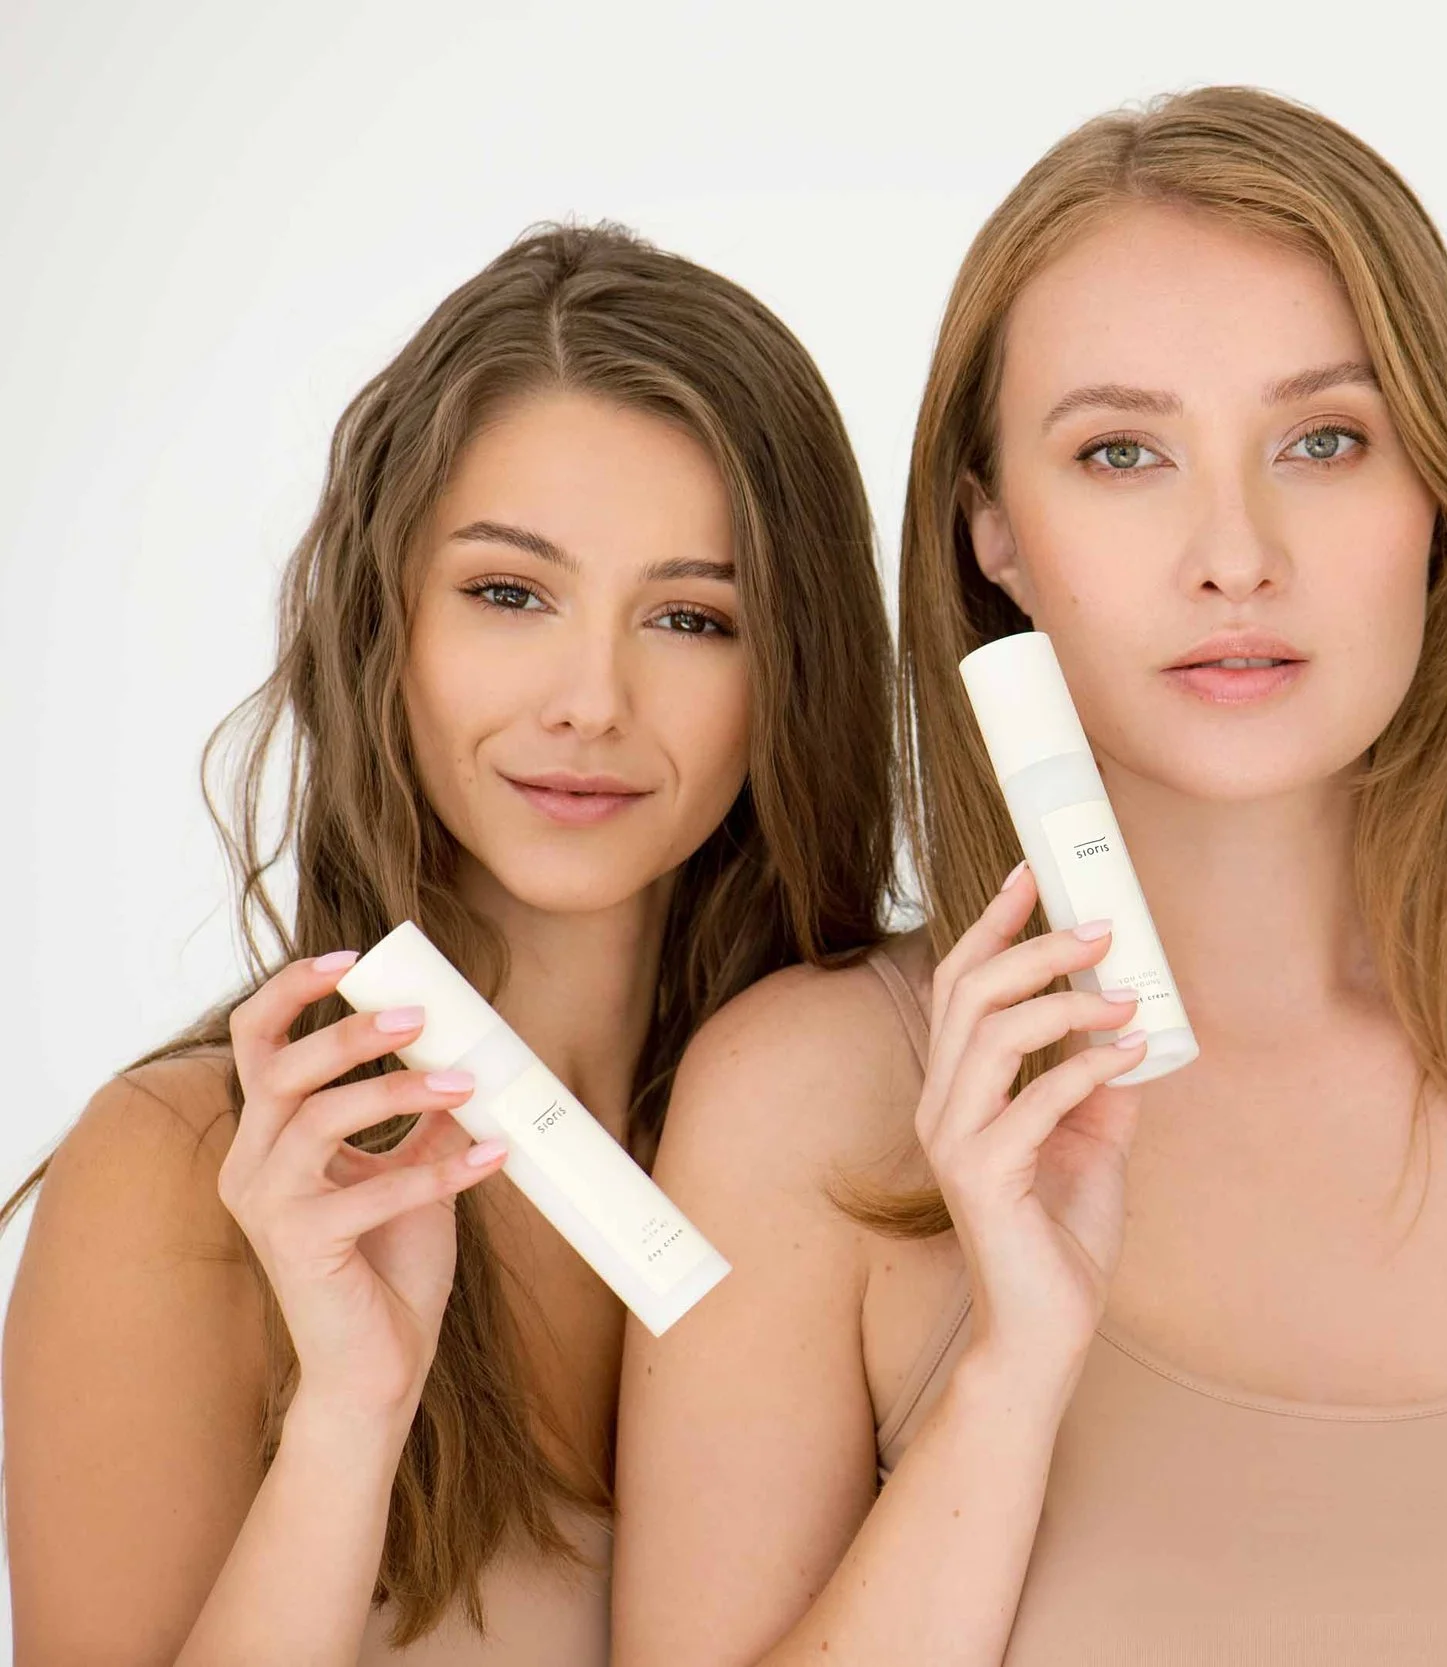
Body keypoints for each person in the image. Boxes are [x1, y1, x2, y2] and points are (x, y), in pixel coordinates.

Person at [616, 87, 1447, 1667]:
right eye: (1122, 452)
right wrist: (1008, 1377)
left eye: (1324, 440)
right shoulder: (802, 1102)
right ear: (993, 531)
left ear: (1441, 496)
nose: (1235, 552)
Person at [4, 223, 895, 1663]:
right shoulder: (183, 1178)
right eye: (509, 593)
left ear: (793, 667)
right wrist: (351, 1418)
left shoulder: (879, 1143)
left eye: (690, 615)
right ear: (386, 619)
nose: (590, 700)